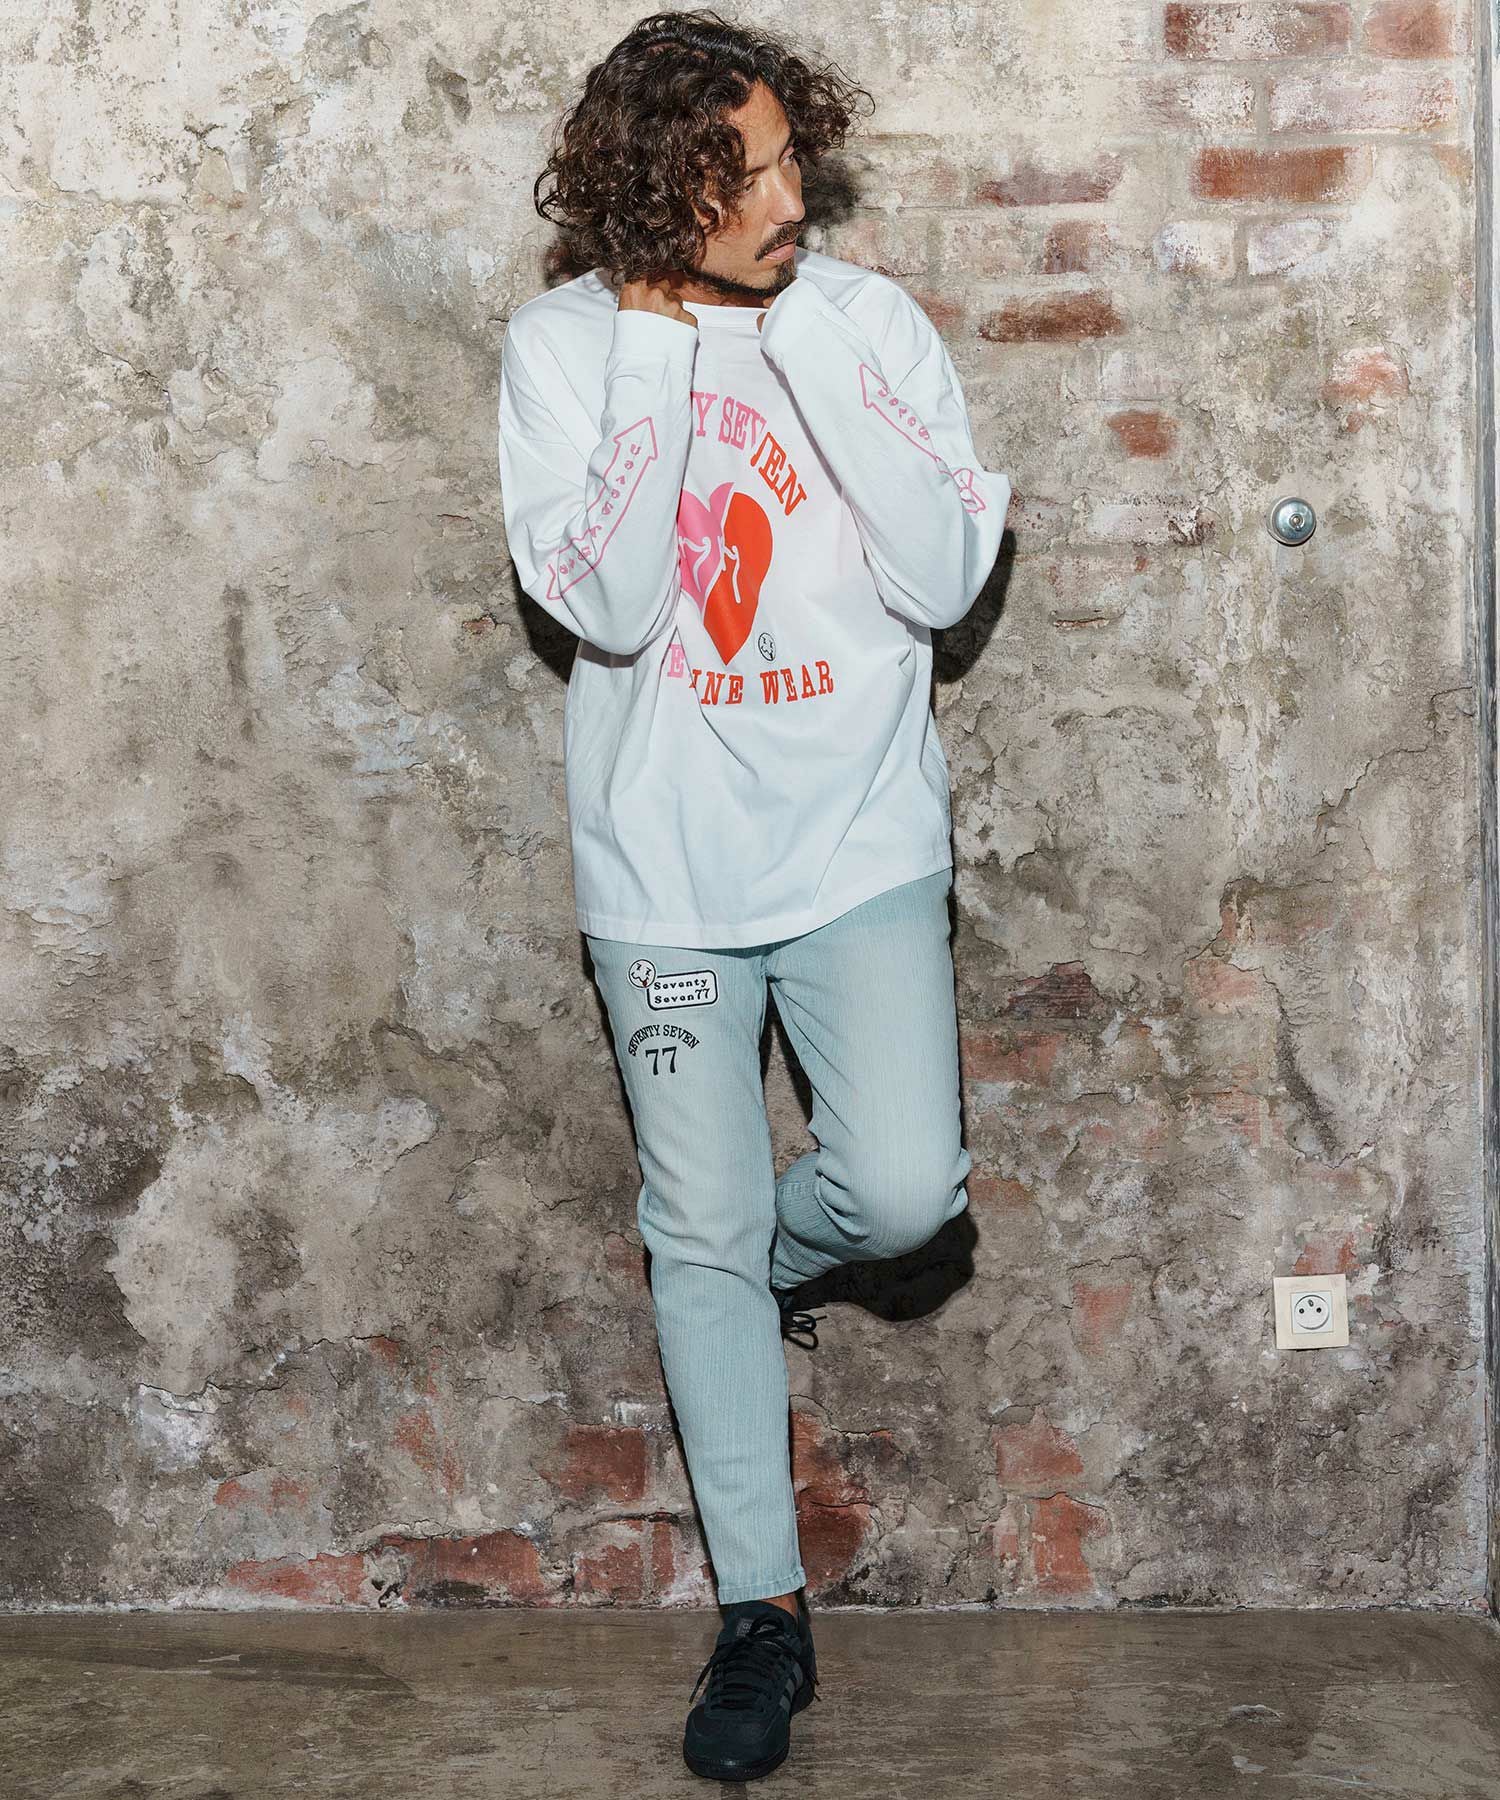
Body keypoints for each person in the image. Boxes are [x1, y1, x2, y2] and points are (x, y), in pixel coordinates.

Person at [497, 8, 1011, 1782]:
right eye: (748, 176)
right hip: (664, 872)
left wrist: (808, 353)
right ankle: (763, 1619)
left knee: (901, 1186)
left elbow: (940, 577)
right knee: (699, 1221)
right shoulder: (562, 352)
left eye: (794, 158)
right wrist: (660, 352)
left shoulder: (868, 320)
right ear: (662, 194)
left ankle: (730, 1272)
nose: (793, 198)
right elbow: (612, 607)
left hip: (858, 840)